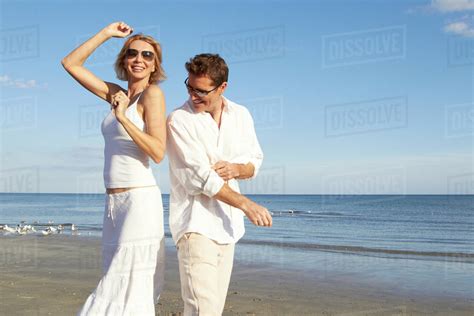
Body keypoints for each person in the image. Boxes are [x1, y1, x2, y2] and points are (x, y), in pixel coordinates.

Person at [61, 22, 166, 315]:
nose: (139, 59)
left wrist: (123, 118)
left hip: (139, 202)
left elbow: (158, 152)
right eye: (132, 53)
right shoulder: (118, 94)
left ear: (155, 64)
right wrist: (107, 33)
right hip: (113, 204)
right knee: (116, 283)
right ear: (124, 59)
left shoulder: (152, 95)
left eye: (148, 55)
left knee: (122, 286)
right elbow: (70, 63)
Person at [167, 53, 273, 315]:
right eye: (189, 87)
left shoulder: (241, 115)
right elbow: (200, 178)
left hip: (228, 228)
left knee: (213, 310)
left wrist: (237, 168)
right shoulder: (179, 120)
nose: (193, 96)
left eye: (201, 91)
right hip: (195, 225)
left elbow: (254, 162)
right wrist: (246, 204)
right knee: (202, 310)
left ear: (222, 87)